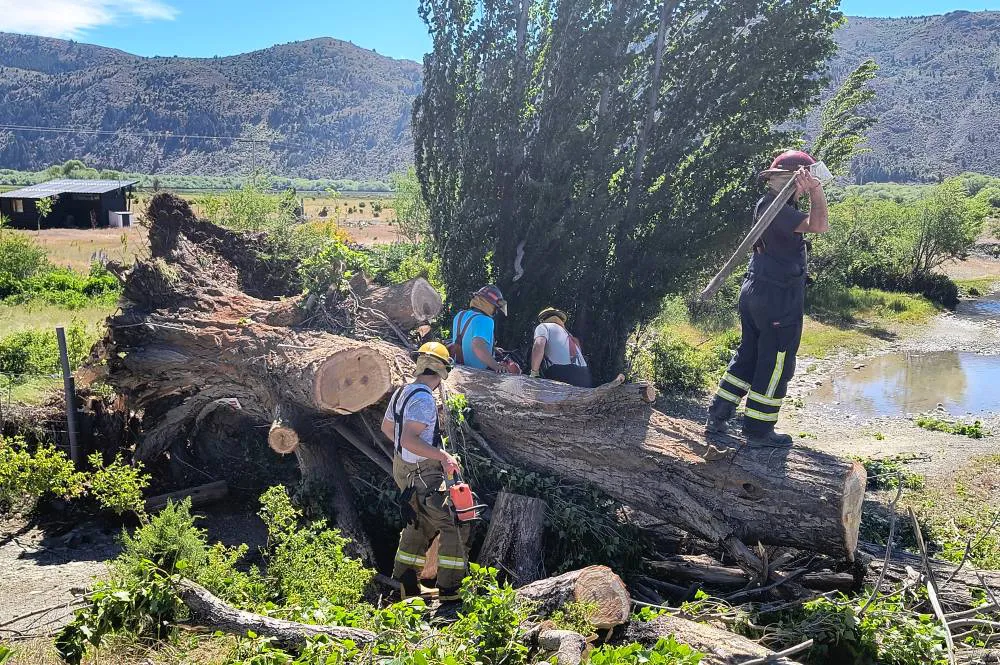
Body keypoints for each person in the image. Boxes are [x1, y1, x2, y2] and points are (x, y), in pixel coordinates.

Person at [705, 150, 829, 448]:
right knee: (776, 363)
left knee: (748, 354)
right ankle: (758, 430)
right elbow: (819, 225)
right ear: (796, 179)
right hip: (777, 298)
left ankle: (718, 416)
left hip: (755, 290)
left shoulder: (766, 204)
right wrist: (817, 191)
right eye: (807, 178)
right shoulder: (780, 209)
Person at [382, 342, 468, 601]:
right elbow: (409, 439)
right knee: (455, 521)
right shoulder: (423, 399)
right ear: (442, 371)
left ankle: (404, 583)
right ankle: (450, 589)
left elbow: (389, 430)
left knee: (418, 520)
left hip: (405, 472)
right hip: (424, 473)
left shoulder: (402, 392)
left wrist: (408, 458)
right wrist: (442, 456)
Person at [451, 285, 510, 373]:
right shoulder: (486, 320)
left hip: (457, 368)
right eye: (495, 308)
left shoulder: (460, 315)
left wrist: (492, 349)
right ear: (490, 304)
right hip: (476, 373)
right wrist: (496, 366)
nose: (495, 311)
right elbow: (477, 346)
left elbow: (465, 341)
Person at [529, 307, 593, 388]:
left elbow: (539, 345)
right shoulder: (570, 335)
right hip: (585, 375)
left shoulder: (543, 326)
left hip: (562, 373)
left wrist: (534, 372)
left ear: (543, 319)